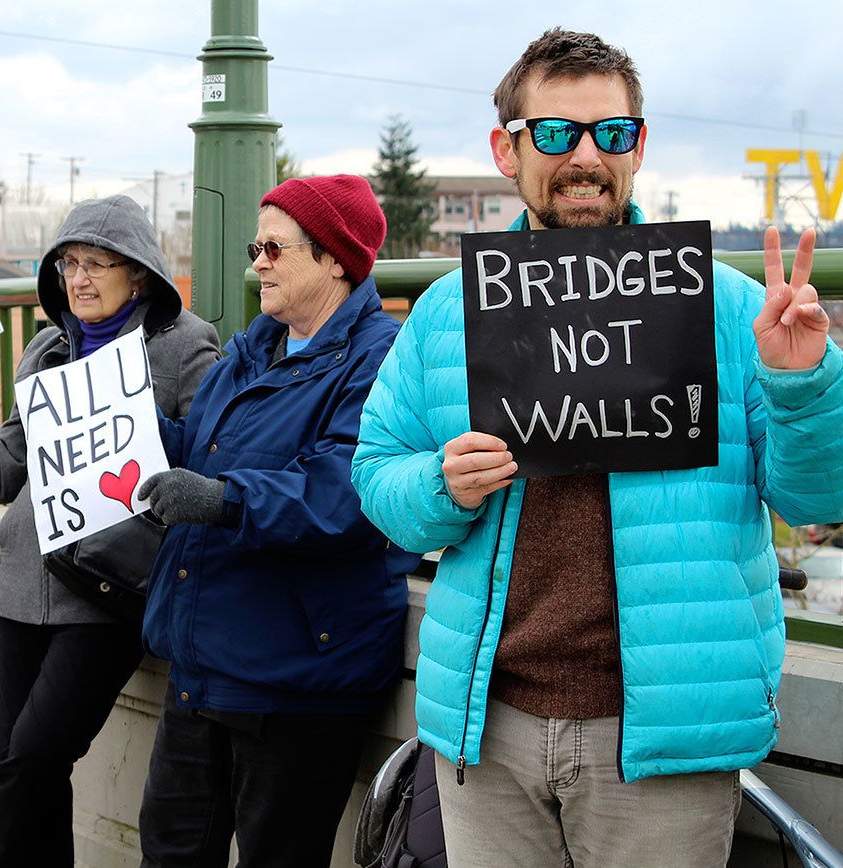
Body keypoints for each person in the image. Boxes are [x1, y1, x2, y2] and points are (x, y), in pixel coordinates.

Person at [350, 28, 843, 867]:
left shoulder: (731, 308)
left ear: (639, 145)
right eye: (555, 133)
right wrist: (441, 484)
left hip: (663, 739)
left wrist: (804, 387)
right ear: (507, 151)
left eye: (610, 133)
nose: (585, 156)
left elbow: (817, 503)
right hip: (487, 730)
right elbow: (375, 475)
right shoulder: (446, 309)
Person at [0, 194, 220, 868]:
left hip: (108, 590)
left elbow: (208, 458)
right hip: (22, 587)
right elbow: (6, 471)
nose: (81, 278)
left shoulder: (186, 347)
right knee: (32, 772)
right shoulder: (43, 348)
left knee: (34, 755)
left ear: (141, 275)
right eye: (69, 263)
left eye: (99, 263)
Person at [134, 175, 414, 868]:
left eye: (275, 248)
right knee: (167, 854)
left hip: (296, 680)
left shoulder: (381, 357)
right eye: (255, 246)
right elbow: (201, 455)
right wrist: (133, 437)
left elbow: (347, 495)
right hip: (202, 663)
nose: (256, 261)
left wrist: (221, 498)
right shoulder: (251, 349)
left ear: (337, 260)